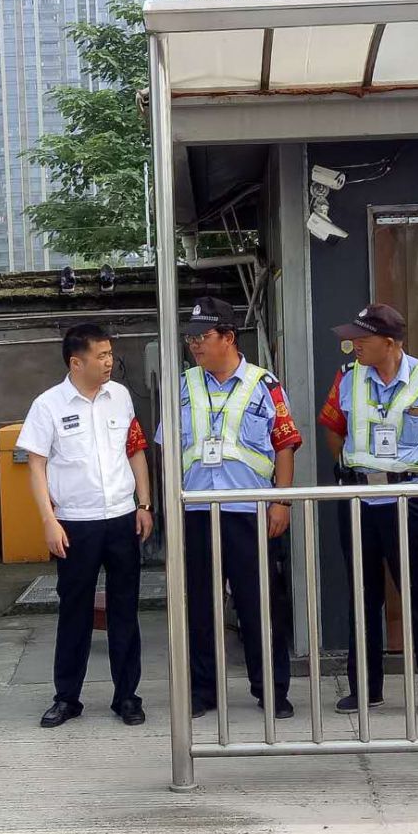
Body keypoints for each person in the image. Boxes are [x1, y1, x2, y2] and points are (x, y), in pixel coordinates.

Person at [158, 297, 303, 720]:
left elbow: (284, 445)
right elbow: (167, 448)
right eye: (190, 338)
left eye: (202, 336)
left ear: (228, 337)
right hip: (197, 510)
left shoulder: (264, 384)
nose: (194, 345)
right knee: (200, 606)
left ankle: (271, 689)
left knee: (259, 604)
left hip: (249, 511)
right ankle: (203, 690)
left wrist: (281, 500)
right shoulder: (183, 385)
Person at [318, 304, 418, 720]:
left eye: (362, 338)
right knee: (362, 596)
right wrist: (356, 469)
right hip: (358, 500)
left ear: (390, 342)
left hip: (407, 500)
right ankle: (365, 688)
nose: (354, 345)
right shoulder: (348, 377)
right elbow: (334, 430)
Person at [17, 323, 154, 729]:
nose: (110, 361)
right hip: (75, 523)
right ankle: (66, 698)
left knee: (124, 610)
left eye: (110, 354)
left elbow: (135, 451)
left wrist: (144, 504)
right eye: (101, 355)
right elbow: (36, 467)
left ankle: (126, 696)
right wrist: (48, 521)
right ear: (76, 363)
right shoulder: (48, 405)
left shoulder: (121, 397)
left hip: (122, 519)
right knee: (74, 612)